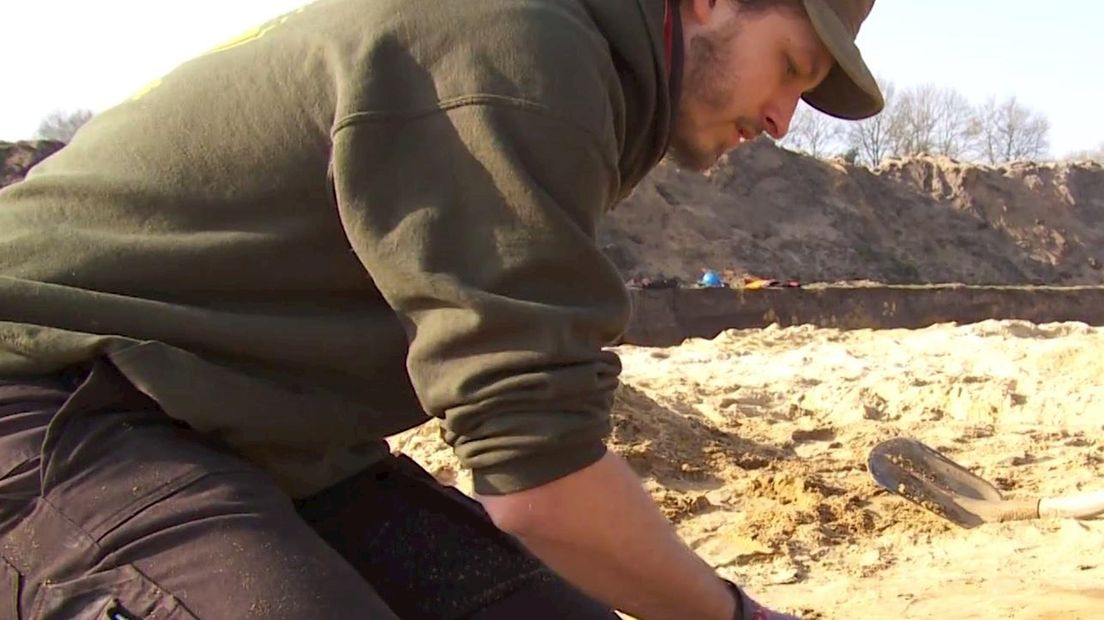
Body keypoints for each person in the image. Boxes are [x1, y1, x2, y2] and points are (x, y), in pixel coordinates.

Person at [0, 0, 883, 618]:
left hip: (250, 427)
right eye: (792, 69)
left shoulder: (582, 65)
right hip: (50, 389)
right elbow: (536, 472)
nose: (782, 119)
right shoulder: (518, 52)